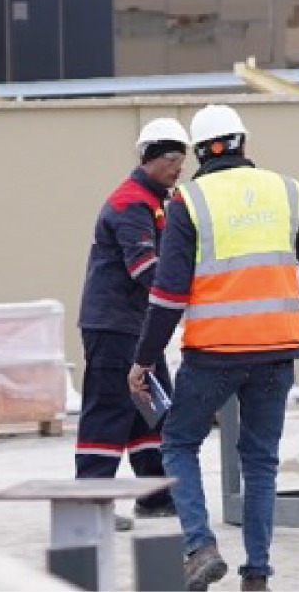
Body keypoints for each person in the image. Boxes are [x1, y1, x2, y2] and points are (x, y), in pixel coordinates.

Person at [128, 103, 299, 592]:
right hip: (277, 350)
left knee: (179, 443)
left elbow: (168, 294)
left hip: (214, 353)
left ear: (199, 151)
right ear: (244, 142)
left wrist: (143, 359)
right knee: (260, 461)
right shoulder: (286, 190)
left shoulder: (189, 201)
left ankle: (200, 547)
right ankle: (257, 573)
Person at [76, 117, 190, 526]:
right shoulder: (132, 203)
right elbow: (145, 268)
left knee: (151, 409)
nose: (179, 166)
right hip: (114, 326)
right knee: (108, 411)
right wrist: (191, 292)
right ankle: (90, 507)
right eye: (171, 158)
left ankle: (155, 496)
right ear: (149, 158)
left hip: (137, 326)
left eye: (182, 158)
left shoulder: (157, 201)